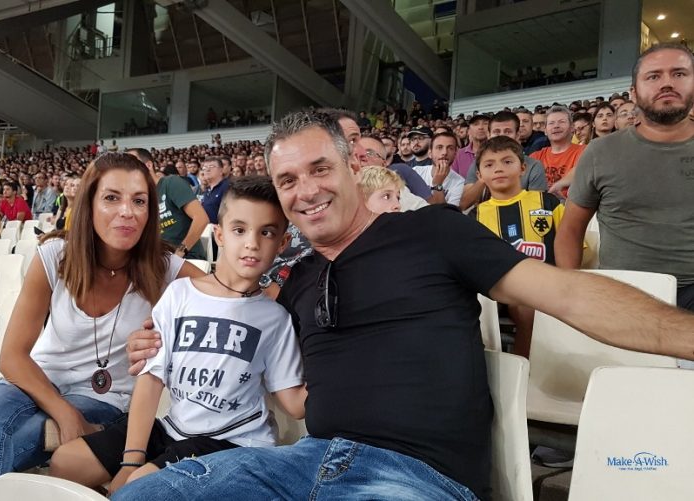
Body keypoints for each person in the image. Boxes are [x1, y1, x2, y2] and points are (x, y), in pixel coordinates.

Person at [120, 110, 694, 501]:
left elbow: (566, 292)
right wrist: (157, 337)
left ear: (353, 167)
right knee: (146, 494)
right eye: (288, 180)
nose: (307, 190)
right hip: (299, 464)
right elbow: (231, 308)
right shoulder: (295, 282)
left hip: (415, 478)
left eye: (320, 169)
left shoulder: (432, 232)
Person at [0, 154, 205, 501]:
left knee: (8, 438)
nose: (127, 212)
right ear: (89, 203)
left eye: (139, 201)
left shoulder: (163, 267)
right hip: (37, 380)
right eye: (111, 197)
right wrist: (65, 413)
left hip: (104, 398)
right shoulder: (55, 257)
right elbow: (12, 357)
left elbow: (226, 294)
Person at [48, 176, 306, 494]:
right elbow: (151, 378)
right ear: (220, 234)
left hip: (230, 441)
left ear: (282, 243)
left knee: (138, 486)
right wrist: (131, 459)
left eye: (266, 232)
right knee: (65, 463)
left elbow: (294, 404)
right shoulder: (180, 293)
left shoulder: (275, 317)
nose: (252, 243)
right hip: (174, 428)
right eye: (240, 230)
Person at [555, 42, 694, 312]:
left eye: (679, 73)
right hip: (623, 294)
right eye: (653, 76)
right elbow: (570, 230)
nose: (667, 83)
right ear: (634, 92)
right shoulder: (600, 152)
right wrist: (572, 294)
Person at [469, 136, 565, 357]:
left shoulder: (547, 202)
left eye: (507, 162)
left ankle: (527, 367)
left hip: (547, 283)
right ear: (479, 175)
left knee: (527, 303)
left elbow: (569, 246)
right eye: (489, 164)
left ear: (522, 168)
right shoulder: (477, 215)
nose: (499, 169)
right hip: (498, 290)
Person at [127, 148, 209, 260]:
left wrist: (179, 252)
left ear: (148, 165)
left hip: (186, 257)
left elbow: (201, 218)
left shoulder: (170, 183)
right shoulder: (138, 198)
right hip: (157, 259)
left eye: (131, 165)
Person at [459, 111, 549, 211]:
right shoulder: (479, 164)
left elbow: (537, 207)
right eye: (496, 132)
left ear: (517, 135)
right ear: (489, 135)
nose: (502, 136)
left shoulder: (533, 165)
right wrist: (484, 177)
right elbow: (464, 204)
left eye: (507, 132)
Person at [530, 106, 586, 190]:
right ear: (545, 130)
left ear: (572, 127)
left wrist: (559, 185)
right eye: (551, 123)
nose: (556, 126)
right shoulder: (535, 157)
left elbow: (582, 169)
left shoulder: (584, 151)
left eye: (561, 122)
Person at [415, 132, 465, 206]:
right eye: (439, 147)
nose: (444, 152)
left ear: (455, 154)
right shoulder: (416, 172)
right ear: (430, 153)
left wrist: (437, 185)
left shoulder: (460, 183)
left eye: (450, 148)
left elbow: (445, 212)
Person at [199, 156, 229, 225]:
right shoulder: (207, 190)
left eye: (211, 166)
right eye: (205, 168)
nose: (207, 170)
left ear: (221, 170)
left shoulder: (227, 187)